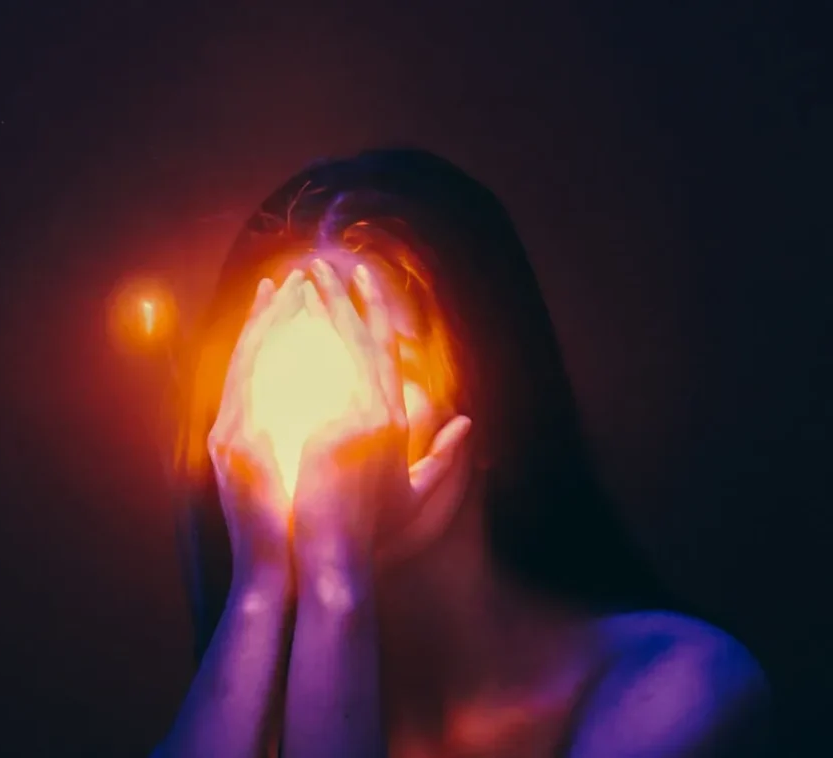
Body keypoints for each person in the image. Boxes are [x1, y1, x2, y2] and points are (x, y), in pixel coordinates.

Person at [154, 149, 771, 757]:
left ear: (492, 408)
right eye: (284, 365)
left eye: (377, 359)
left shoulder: (675, 690)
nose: (325, 423)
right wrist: (260, 583)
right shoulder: (238, 723)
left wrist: (335, 573)